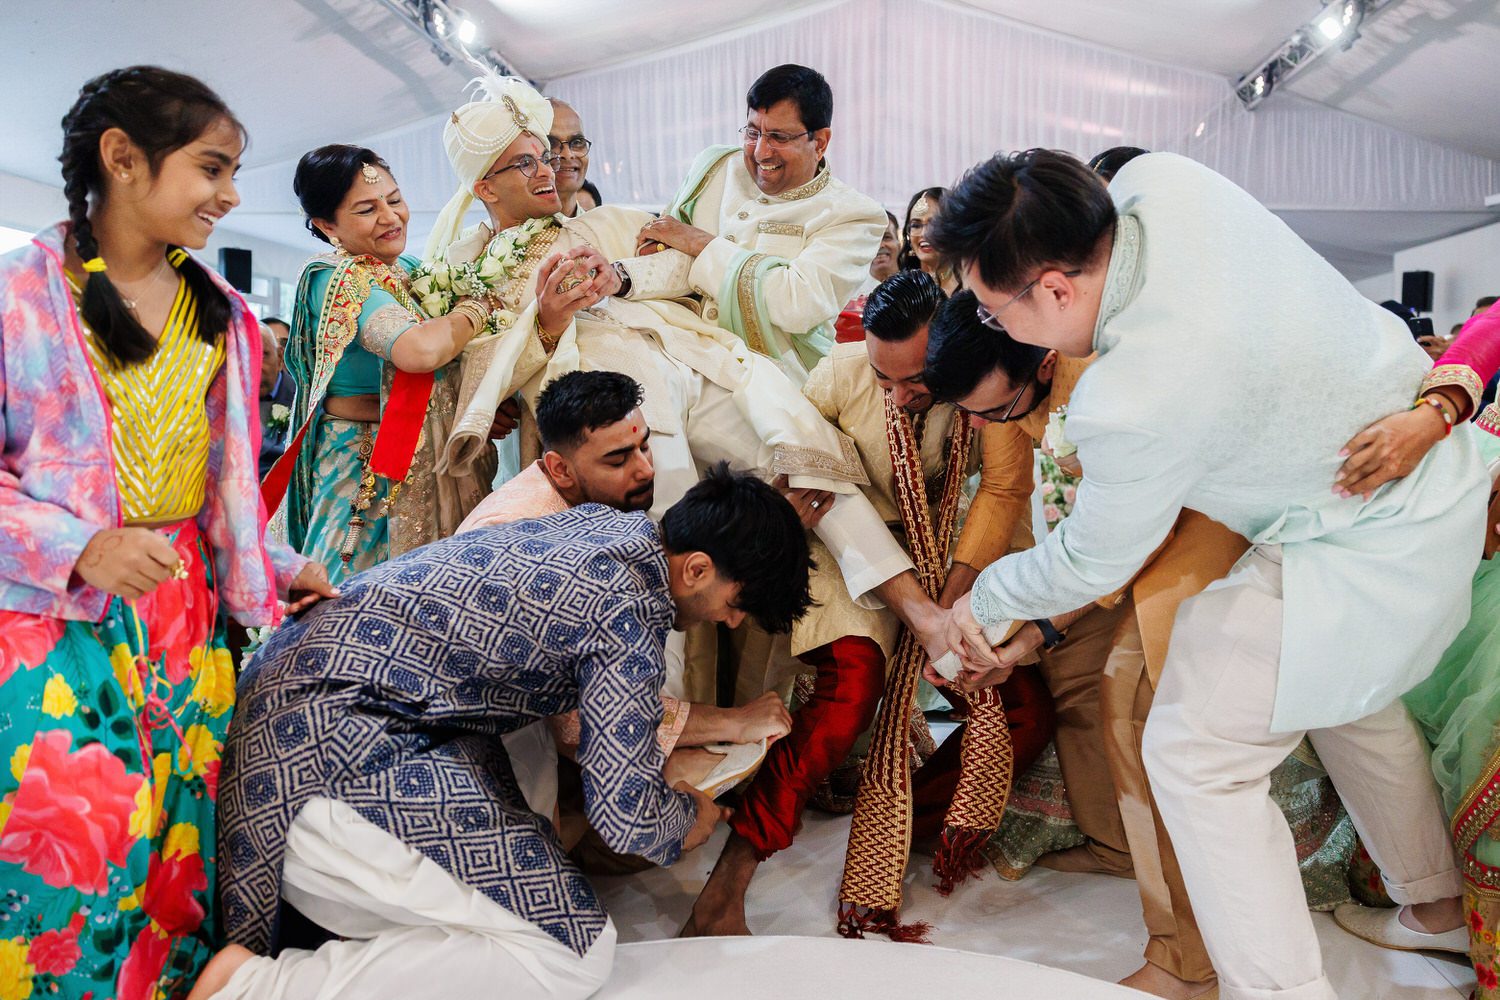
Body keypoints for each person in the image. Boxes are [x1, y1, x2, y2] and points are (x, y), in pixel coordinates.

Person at [927, 147, 1488, 1000]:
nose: (992, 324)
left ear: (1055, 289)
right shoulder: (1165, 180)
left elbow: (1093, 558)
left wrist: (984, 602)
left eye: (992, 309)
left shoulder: (1133, 395)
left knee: (1194, 755)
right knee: (1343, 696)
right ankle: (1436, 907)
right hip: (1429, 484)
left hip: (1359, 537)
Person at [423, 75, 946, 700]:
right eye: (526, 162)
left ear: (820, 139)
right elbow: (477, 365)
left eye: (548, 154)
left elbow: (678, 261)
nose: (548, 168)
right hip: (618, 400)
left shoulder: (604, 221)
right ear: (483, 186)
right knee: (659, 542)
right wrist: (549, 322)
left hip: (700, 355)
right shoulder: (462, 269)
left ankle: (921, 614)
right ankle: (663, 716)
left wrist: (618, 275)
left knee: (812, 459)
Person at [200, 465, 811, 1000]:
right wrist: (687, 817)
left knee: (530, 850)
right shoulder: (628, 609)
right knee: (573, 950)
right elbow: (625, 815)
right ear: (698, 569)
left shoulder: (602, 527)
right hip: (329, 751)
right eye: (737, 605)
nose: (732, 622)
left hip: (313, 711)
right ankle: (257, 988)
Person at [0, 66, 333, 1000]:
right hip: (53, 621)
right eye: (211, 168)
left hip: (184, 614)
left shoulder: (223, 314)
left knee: (179, 844)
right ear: (122, 158)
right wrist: (77, 546)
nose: (230, 195)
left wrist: (280, 566)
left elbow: (223, 492)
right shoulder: (19, 295)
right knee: (73, 836)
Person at [924, 289, 1360, 1000]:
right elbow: (1023, 498)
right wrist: (981, 616)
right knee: (1129, 715)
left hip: (1205, 518)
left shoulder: (1112, 380)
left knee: (1143, 707)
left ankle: (1192, 961)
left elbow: (1121, 538)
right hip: (1128, 535)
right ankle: (1184, 943)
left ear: (1042, 361)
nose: (983, 427)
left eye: (995, 412)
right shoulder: (1005, 371)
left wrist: (1030, 624)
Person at [458, 370, 793, 828]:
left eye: (644, 446)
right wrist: (731, 723)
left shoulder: (594, 511)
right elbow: (583, 722)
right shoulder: (530, 540)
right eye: (618, 459)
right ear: (560, 468)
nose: (645, 470)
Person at [266, 145, 494, 585]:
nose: (391, 217)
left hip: (427, 456)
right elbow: (418, 352)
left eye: (394, 199)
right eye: (367, 209)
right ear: (327, 225)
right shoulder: (334, 276)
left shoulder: (407, 269)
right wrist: (477, 307)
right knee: (350, 590)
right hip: (363, 459)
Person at [612, 64, 886, 385]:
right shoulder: (715, 167)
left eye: (778, 137)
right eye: (753, 132)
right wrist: (620, 276)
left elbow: (795, 304)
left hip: (771, 372)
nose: (760, 152)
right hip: (677, 341)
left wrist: (699, 243)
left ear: (820, 142)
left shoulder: (854, 214)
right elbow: (662, 244)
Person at [834, 211, 901, 343]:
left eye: (887, 237)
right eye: (873, 240)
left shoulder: (915, 286)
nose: (880, 245)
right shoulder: (847, 291)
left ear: (899, 243)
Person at [899, 187, 959, 294]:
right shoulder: (900, 291)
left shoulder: (975, 289)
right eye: (916, 225)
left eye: (934, 224)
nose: (924, 233)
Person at [257, 317, 295, 478]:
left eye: (263, 354)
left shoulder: (302, 401)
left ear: (280, 357)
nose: (255, 364)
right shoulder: (229, 398)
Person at [547, 98, 592, 218]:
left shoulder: (605, 226)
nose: (567, 155)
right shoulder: (507, 228)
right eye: (551, 143)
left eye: (577, 142)